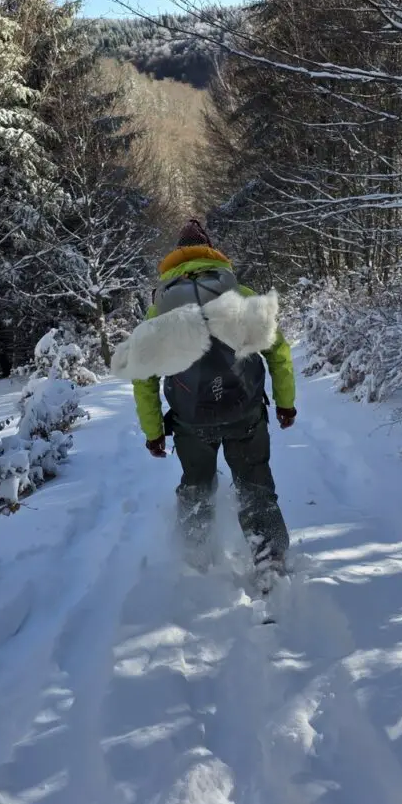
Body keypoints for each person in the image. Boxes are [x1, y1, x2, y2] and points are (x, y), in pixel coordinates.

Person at [131, 219, 297, 577]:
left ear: (174, 261)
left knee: (196, 490)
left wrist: (153, 431)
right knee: (255, 486)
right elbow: (278, 353)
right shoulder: (243, 295)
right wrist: (285, 403)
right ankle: (271, 563)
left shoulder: (159, 309)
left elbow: (143, 377)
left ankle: (195, 562)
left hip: (191, 422)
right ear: (213, 253)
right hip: (245, 412)